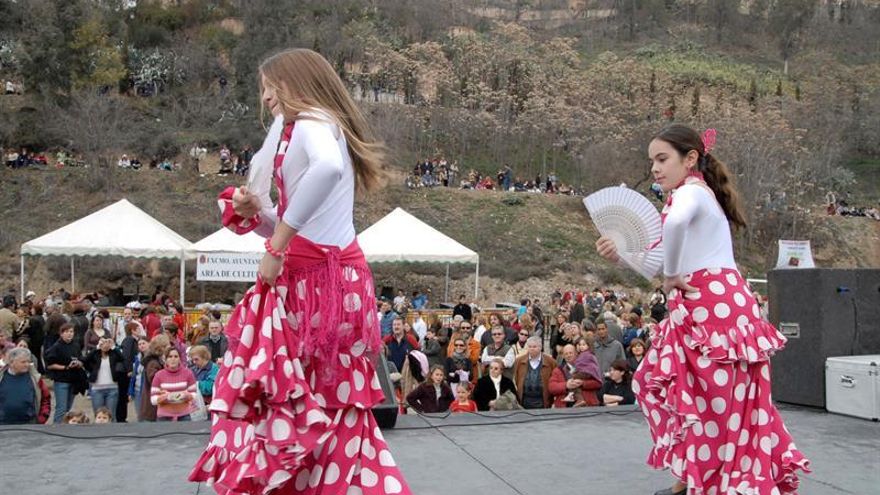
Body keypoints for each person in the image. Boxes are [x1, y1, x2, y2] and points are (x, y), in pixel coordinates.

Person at [190, 48, 411, 494]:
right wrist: (263, 215)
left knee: (309, 400)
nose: (267, 96)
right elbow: (307, 224)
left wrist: (276, 242)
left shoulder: (311, 123)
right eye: (263, 88)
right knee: (324, 402)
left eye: (272, 85)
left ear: (296, 82)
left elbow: (326, 173)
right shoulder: (311, 127)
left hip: (322, 284)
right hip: (323, 278)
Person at [596, 124, 808, 495]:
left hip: (711, 305)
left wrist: (673, 274)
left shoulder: (689, 194)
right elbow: (658, 261)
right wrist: (623, 255)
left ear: (690, 158)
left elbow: (673, 242)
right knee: (700, 395)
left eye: (662, 159)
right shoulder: (693, 195)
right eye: (652, 162)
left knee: (705, 397)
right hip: (712, 302)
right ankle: (695, 477)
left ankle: (699, 480)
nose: (655, 169)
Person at [44, 323, 85, 423]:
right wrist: (65, 367)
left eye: (71, 332)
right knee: (61, 409)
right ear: (61, 334)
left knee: (68, 408)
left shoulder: (75, 345)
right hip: (61, 380)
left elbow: (81, 358)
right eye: (66, 332)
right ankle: (57, 427)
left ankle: (65, 427)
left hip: (74, 379)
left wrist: (79, 363)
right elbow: (50, 364)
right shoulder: (56, 347)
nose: (69, 334)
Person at [0, 348, 51, 424]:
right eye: (23, 362)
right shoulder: (1, 378)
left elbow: (46, 399)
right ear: (11, 363)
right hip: (3, 425)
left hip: (29, 425)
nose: (27, 364)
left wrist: (41, 419)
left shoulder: (35, 379)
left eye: (28, 361)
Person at [82, 336, 125, 422]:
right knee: (98, 415)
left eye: (107, 343)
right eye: (103, 343)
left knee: (111, 415)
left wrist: (113, 346)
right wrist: (97, 347)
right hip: (97, 388)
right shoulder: (95, 354)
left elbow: (122, 358)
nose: (105, 345)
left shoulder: (113, 354)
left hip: (112, 388)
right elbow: (85, 360)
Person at [151, 348, 197, 421]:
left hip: (184, 415)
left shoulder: (188, 373)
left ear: (180, 359)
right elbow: (153, 400)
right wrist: (166, 397)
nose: (173, 359)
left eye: (176, 356)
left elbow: (194, 396)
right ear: (165, 359)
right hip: (164, 416)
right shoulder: (158, 375)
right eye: (170, 356)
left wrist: (185, 395)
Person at [512, 336, 557, 409]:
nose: (532, 349)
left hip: (543, 400)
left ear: (540, 347)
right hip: (524, 400)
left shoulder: (551, 362)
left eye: (534, 346)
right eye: (529, 346)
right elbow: (516, 378)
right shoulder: (519, 361)